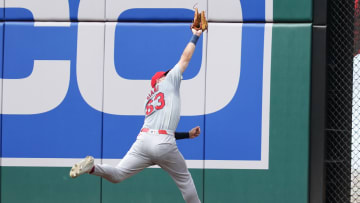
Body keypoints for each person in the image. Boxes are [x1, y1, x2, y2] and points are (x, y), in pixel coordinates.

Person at [70, 28, 203, 203]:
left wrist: (187, 134)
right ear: (161, 79)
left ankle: (92, 168)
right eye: (166, 74)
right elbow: (185, 59)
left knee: (117, 174)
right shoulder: (169, 82)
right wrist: (196, 35)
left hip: (144, 140)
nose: (170, 73)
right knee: (185, 181)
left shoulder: (150, 98)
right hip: (162, 142)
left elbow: (160, 130)